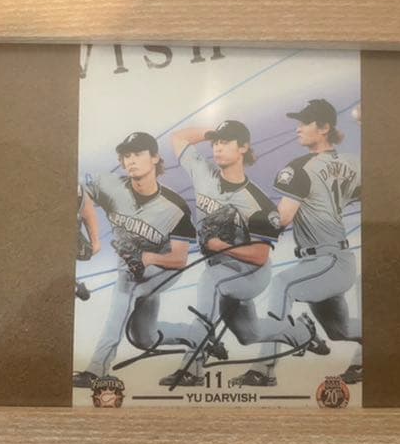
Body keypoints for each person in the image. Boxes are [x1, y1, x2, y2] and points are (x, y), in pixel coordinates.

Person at [159, 120, 329, 387]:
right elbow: (178, 138)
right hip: (222, 270)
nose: (217, 147)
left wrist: (220, 246)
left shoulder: (259, 204)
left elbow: (260, 256)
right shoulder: (202, 172)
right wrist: (210, 132)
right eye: (216, 142)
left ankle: (192, 367)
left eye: (226, 142)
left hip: (250, 273)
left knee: (210, 280)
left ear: (243, 147)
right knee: (249, 334)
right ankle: (301, 333)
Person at [229, 99, 363, 388]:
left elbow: (283, 218)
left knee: (283, 284)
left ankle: (264, 370)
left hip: (326, 261)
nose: (298, 129)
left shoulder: (300, 168)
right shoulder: (354, 164)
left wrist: (241, 224)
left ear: (324, 128)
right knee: (339, 330)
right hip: (330, 263)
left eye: (305, 123)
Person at [72, 132, 197, 388]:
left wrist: (149, 258)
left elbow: (180, 259)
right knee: (144, 338)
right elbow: (76, 192)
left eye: (138, 154)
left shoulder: (175, 207)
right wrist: (92, 237)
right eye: (126, 155)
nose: (131, 160)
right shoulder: (110, 186)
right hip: (130, 269)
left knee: (126, 292)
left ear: (155, 158)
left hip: (163, 268)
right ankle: (196, 335)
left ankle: (96, 369)